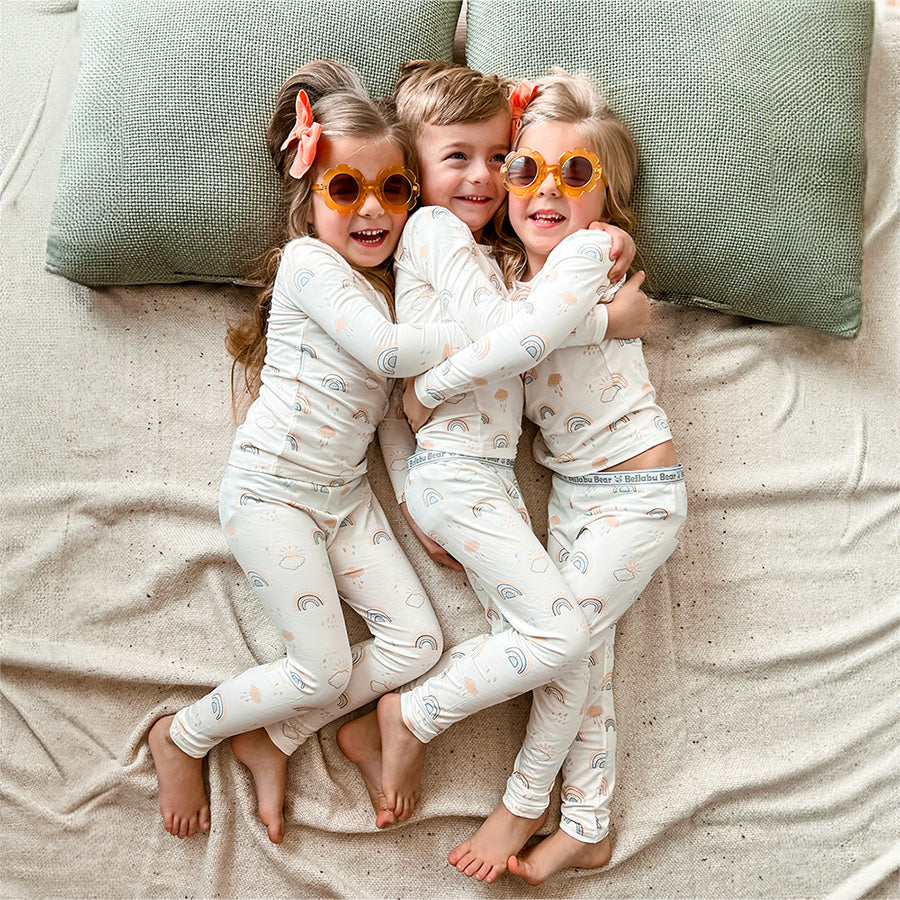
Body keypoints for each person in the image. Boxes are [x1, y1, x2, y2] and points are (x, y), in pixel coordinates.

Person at [148, 59, 480, 845]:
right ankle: (184, 734)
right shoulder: (309, 266)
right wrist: (492, 328)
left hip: (344, 499)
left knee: (418, 643)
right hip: (272, 494)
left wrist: (416, 503)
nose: (373, 209)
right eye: (347, 189)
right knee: (323, 668)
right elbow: (390, 354)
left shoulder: (391, 292)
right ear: (309, 197)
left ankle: (278, 735)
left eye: (393, 190)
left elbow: (392, 420)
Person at [336, 60, 652, 878]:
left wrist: (598, 256)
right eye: (459, 158)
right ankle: (413, 718)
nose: (484, 177)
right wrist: (605, 317)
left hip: (504, 482)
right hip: (468, 479)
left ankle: (578, 817)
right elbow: (506, 336)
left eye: (496, 159)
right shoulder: (438, 235)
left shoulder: (511, 257)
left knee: (562, 650)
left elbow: (487, 346)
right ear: (414, 170)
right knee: (561, 641)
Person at [403, 69, 688, 884]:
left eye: (576, 173)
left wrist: (426, 392)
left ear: (606, 201)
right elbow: (511, 328)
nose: (546, 190)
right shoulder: (508, 281)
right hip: (571, 498)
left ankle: (518, 800)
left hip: (636, 496)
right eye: (525, 170)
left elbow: (524, 344)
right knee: (580, 660)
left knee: (568, 651)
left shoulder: (588, 256)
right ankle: (588, 825)